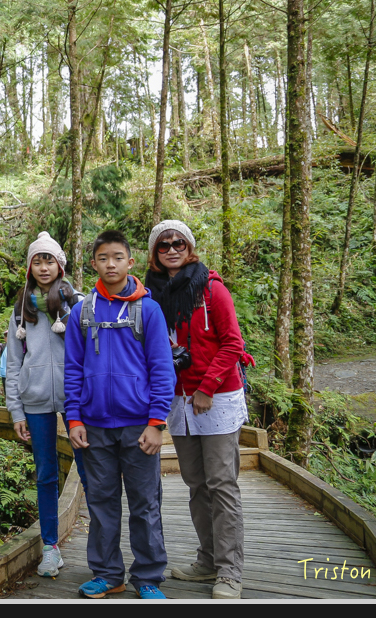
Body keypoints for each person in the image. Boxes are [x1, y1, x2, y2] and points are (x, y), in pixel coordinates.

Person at [64, 229, 175, 600]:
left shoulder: (150, 309)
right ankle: (109, 574)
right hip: (94, 427)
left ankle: (148, 577)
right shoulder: (83, 311)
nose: (110, 264)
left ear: (130, 262)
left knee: (145, 505)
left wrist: (157, 423)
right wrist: (74, 419)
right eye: (102, 258)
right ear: (93, 263)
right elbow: (73, 370)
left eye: (117, 257)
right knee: (101, 503)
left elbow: (162, 369)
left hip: (138, 427)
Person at [144, 219, 248, 600]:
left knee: (222, 484)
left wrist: (206, 388)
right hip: (177, 400)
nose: (172, 249)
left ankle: (230, 571)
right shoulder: (150, 296)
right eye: (163, 245)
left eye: (179, 243)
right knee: (196, 484)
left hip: (216, 397)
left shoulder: (211, 290)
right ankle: (207, 560)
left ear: (190, 247)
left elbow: (232, 344)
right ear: (155, 254)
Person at [4, 231, 83, 578]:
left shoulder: (76, 303)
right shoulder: (21, 310)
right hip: (34, 400)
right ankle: (50, 547)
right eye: (38, 260)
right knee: (47, 474)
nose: (43, 266)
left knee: (91, 469)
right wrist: (15, 410)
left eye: (49, 259)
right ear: (29, 267)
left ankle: (103, 546)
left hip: (76, 399)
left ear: (60, 265)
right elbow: (13, 362)